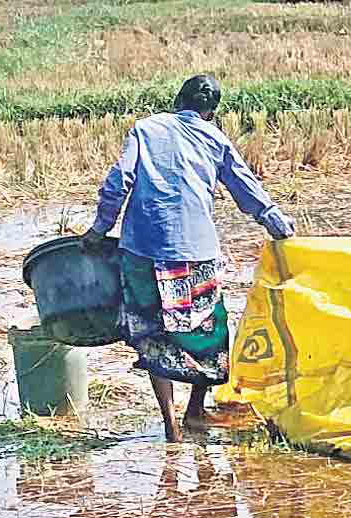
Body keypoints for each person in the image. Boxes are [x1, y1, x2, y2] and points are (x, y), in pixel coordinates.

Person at [81, 74, 295, 442]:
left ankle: (171, 425)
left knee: (152, 332)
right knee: (207, 333)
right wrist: (278, 226)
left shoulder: (146, 130)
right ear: (211, 112)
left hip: (143, 251)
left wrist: (99, 230)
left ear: (177, 101)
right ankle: (195, 410)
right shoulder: (216, 139)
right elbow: (246, 188)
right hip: (196, 253)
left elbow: (118, 181)